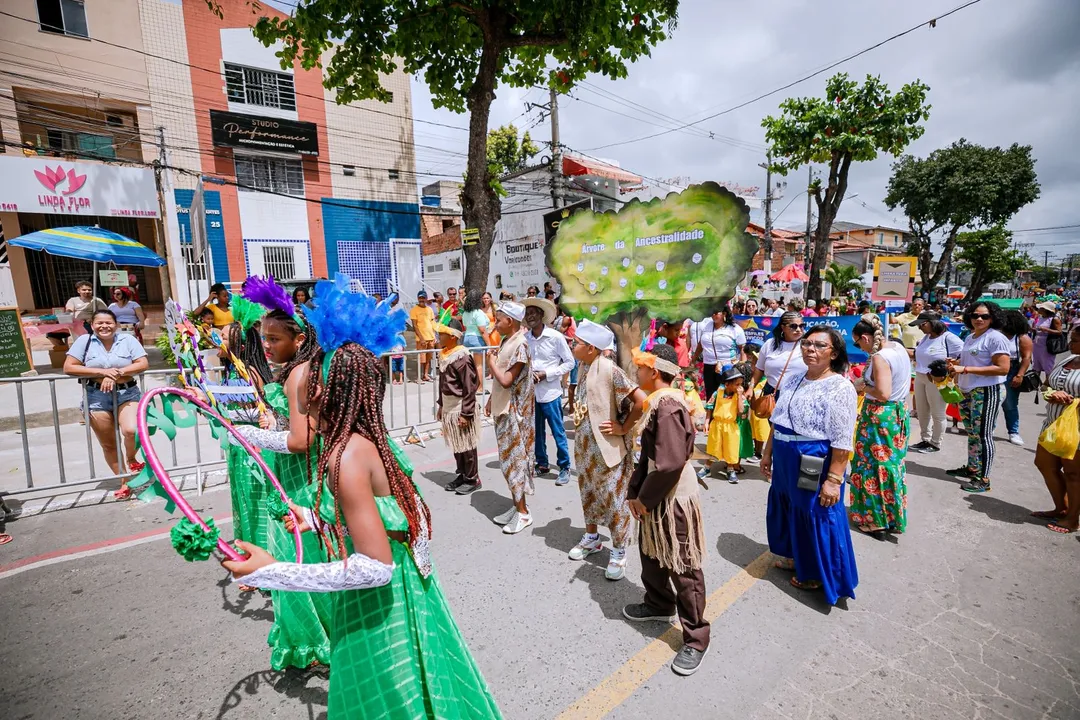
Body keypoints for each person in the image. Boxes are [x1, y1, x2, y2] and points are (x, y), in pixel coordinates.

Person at [225, 302, 503, 717]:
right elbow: (402, 518)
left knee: (385, 701)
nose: (304, 390)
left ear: (330, 390)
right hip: (406, 592)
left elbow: (375, 568)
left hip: (378, 606)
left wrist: (271, 572)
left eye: (314, 379)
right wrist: (320, 518)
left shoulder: (345, 456)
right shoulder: (364, 441)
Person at [248, 287, 335, 671]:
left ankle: (323, 640)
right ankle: (323, 637)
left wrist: (251, 435)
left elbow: (303, 440)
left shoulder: (297, 373)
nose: (266, 345)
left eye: (274, 338)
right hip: (297, 475)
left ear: (299, 339)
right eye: (263, 338)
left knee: (299, 557)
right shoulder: (300, 369)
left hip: (301, 477)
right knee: (307, 556)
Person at [624, 342, 710, 677]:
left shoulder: (668, 405)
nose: (637, 372)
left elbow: (670, 463)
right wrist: (636, 491)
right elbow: (649, 456)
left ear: (654, 371)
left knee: (682, 564)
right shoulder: (657, 402)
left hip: (671, 495)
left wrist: (643, 498)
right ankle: (659, 603)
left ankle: (696, 637)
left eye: (641, 367)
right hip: (655, 490)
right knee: (654, 552)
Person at [761, 326, 858, 604]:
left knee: (814, 510)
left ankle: (817, 572)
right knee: (789, 503)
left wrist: (834, 480)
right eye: (807, 343)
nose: (810, 349)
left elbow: (842, 440)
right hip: (784, 451)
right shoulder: (793, 378)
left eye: (819, 346)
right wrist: (768, 453)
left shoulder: (840, 387)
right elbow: (778, 420)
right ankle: (796, 557)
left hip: (811, 455)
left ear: (834, 353)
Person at [566, 320, 645, 580]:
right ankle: (592, 538)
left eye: (576, 342)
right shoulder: (583, 365)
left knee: (614, 501)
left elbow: (640, 401)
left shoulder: (610, 369)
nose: (572, 343)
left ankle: (620, 550)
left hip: (607, 450)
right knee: (588, 493)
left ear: (590, 348)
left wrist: (623, 428)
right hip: (586, 449)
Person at [64, 309, 149, 498]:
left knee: (131, 430)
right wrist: (103, 373)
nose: (104, 326)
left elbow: (142, 363)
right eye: (99, 323)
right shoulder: (84, 342)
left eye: (109, 323)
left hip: (127, 392)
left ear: (116, 324)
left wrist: (118, 372)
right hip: (96, 395)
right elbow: (69, 367)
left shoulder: (127, 340)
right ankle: (125, 481)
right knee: (109, 444)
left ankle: (130, 457)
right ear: (93, 325)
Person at [849, 315, 912, 538]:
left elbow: (883, 393)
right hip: (897, 413)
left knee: (872, 465)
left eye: (858, 343)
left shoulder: (879, 358)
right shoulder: (897, 347)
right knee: (891, 465)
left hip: (879, 416)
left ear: (866, 338)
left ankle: (875, 519)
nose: (859, 347)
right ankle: (891, 515)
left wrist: (862, 386)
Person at [946, 301, 1011, 494]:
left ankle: (984, 478)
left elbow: (1003, 367)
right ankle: (972, 468)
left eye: (984, 316)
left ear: (993, 318)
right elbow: (970, 361)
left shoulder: (996, 338)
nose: (979, 319)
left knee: (984, 435)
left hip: (987, 390)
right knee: (973, 433)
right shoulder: (971, 337)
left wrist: (964, 368)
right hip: (968, 390)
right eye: (975, 316)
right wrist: (956, 363)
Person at [485, 302, 535, 534]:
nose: (495, 323)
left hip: (515, 413)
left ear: (511, 321)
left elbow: (506, 380)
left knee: (514, 462)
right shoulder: (507, 341)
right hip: (504, 409)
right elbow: (501, 383)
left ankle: (523, 513)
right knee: (507, 462)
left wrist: (491, 363)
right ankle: (517, 507)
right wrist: (490, 399)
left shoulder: (521, 345)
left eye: (499, 319)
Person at [1033, 325, 1080, 534]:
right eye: (1071, 338)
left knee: (1073, 474)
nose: (1070, 343)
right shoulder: (1068, 360)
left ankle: (1072, 519)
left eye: (1076, 340)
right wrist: (1051, 393)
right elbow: (1045, 385)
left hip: (1075, 429)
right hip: (1052, 424)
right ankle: (1060, 507)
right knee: (1044, 464)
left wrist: (1072, 400)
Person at [523, 297, 574, 485]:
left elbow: (569, 362)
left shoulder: (555, 337)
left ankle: (564, 466)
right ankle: (542, 463)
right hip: (532, 393)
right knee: (536, 432)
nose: (530, 317)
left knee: (558, 431)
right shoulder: (525, 339)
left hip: (551, 393)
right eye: (527, 314)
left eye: (534, 313)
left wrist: (548, 373)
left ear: (542, 315)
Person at [436, 318, 482, 496]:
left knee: (466, 445)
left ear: (453, 337)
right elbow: (442, 383)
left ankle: (473, 478)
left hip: (460, 407)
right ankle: (462, 474)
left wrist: (466, 413)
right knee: (457, 445)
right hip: (449, 406)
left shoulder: (462, 357)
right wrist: (441, 405)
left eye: (442, 334)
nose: (439, 337)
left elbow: (470, 387)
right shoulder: (445, 354)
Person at [909, 311, 964, 454]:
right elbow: (917, 354)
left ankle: (935, 443)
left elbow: (964, 355)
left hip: (938, 379)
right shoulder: (925, 338)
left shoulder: (949, 338)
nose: (919, 328)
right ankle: (925, 439)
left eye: (922, 324)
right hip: (921, 376)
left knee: (938, 413)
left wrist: (953, 367)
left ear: (931, 323)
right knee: (922, 411)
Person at [703, 366, 750, 484]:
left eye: (740, 384)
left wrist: (739, 396)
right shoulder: (717, 393)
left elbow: (740, 411)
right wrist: (707, 421)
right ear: (727, 384)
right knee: (713, 446)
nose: (739, 387)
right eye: (736, 384)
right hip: (717, 425)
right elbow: (709, 407)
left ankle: (730, 469)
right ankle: (707, 468)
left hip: (731, 426)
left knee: (731, 448)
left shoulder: (740, 396)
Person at [750, 311, 806, 405]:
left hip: (800, 396)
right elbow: (759, 369)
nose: (798, 329)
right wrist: (751, 387)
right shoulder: (769, 344)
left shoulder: (808, 345)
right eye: (793, 326)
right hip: (773, 395)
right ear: (783, 327)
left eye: (801, 326)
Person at [690, 305, 746, 400]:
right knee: (711, 394)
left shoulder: (734, 329)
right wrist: (693, 360)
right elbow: (700, 344)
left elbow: (742, 349)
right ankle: (711, 414)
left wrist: (743, 364)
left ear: (724, 314)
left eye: (716, 313)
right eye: (712, 313)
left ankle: (725, 414)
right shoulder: (707, 326)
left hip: (727, 367)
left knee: (726, 394)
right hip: (709, 365)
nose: (713, 315)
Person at [1000, 310, 1035, 447]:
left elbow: (1026, 357)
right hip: (995, 368)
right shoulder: (997, 335)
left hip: (1011, 370)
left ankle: (1013, 432)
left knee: (1010, 403)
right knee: (991, 402)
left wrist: (1019, 375)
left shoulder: (1021, 338)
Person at [461, 291, 491, 385]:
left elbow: (465, 326)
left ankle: (470, 386)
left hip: (467, 338)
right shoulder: (478, 313)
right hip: (477, 338)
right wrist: (489, 345)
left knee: (470, 365)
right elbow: (482, 330)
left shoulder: (466, 313)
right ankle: (480, 387)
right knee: (479, 365)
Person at [1031, 301, 1063, 383]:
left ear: (1046, 310)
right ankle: (1035, 382)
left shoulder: (1054, 319)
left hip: (1047, 344)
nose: (1039, 309)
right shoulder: (1040, 318)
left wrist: (1046, 330)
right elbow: (1038, 329)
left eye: (1041, 308)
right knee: (1036, 363)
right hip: (1037, 343)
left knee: (1047, 364)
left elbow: (1059, 332)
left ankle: (1048, 383)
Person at [408, 291, 436, 382]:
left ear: (426, 298)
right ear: (417, 298)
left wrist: (434, 335)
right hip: (421, 338)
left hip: (430, 337)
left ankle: (425, 374)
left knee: (428, 358)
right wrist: (421, 338)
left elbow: (432, 322)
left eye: (423, 298)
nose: (421, 300)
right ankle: (418, 377)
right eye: (420, 298)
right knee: (421, 359)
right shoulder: (414, 310)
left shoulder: (429, 309)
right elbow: (415, 325)